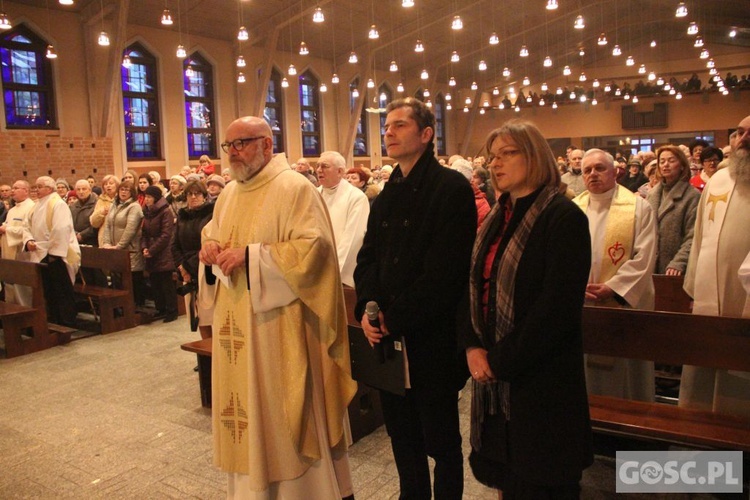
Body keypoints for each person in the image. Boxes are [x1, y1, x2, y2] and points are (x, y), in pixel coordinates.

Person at [199, 116, 357, 498]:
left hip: (279, 327)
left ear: (267, 144)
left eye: (242, 144)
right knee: (246, 414)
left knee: (283, 411)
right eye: (228, 145)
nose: (233, 153)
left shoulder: (294, 188)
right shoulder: (230, 193)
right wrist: (210, 248)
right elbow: (214, 232)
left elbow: (315, 251)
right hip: (236, 325)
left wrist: (252, 258)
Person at [462, 119, 593, 498]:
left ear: (534, 156)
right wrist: (472, 347)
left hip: (541, 379)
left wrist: (498, 361)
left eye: (507, 153)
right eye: (492, 156)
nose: (495, 164)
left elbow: (556, 310)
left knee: (540, 483)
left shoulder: (563, 218)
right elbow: (471, 288)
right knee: (507, 480)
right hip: (494, 373)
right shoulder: (495, 217)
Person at [354, 97, 476, 499]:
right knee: (402, 438)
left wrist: (394, 316)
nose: (388, 132)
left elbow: (444, 274)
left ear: (426, 134)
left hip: (431, 336)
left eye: (399, 125)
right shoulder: (389, 189)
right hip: (389, 337)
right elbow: (367, 256)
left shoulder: (450, 188)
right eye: (386, 126)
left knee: (440, 441)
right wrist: (368, 310)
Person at [573, 149, 657, 402]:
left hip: (624, 304)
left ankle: (635, 424)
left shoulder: (638, 207)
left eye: (599, 168)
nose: (593, 174)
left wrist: (614, 287)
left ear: (615, 171)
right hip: (583, 304)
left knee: (627, 377)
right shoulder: (573, 208)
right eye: (587, 170)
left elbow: (645, 256)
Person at [681, 114, 750, 417]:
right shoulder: (718, 180)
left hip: (743, 298)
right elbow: (699, 239)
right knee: (702, 389)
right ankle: (700, 452)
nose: (744, 140)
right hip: (708, 300)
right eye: (740, 132)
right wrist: (694, 289)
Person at [22, 176, 81, 328]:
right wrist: (28, 241)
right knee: (49, 291)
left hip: (57, 255)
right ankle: (54, 320)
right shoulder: (36, 205)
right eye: (35, 186)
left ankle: (67, 323)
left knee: (62, 291)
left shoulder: (57, 204)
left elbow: (61, 229)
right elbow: (26, 226)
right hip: (42, 254)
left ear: (49, 188)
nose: (36, 189)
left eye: (39, 186)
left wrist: (53, 253)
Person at [316, 151, 369, 288]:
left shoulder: (356, 197)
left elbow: (352, 239)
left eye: (325, 166)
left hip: (340, 274)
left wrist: (333, 272)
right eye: (318, 166)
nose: (319, 170)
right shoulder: (313, 194)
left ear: (340, 172)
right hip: (315, 269)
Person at [646, 145, 700, 275]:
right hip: (651, 264)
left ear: (682, 165)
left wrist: (679, 261)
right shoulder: (652, 194)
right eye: (662, 161)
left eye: (671, 161)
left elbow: (693, 235)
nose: (665, 165)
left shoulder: (692, 195)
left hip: (676, 267)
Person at [172, 180, 214, 340]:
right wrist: (182, 267)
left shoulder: (211, 214)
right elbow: (174, 245)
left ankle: (214, 357)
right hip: (187, 273)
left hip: (206, 271)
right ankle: (204, 356)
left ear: (204, 196)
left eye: (197, 193)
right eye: (190, 194)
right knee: (198, 317)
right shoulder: (182, 216)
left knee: (211, 316)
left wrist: (188, 266)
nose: (193, 197)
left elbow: (210, 244)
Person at [101, 181, 145, 307]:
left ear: (132, 193)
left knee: (133, 279)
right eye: (122, 190)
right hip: (115, 249)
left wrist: (119, 246)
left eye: (127, 190)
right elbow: (108, 225)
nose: (124, 192)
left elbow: (130, 229)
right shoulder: (114, 205)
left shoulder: (134, 207)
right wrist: (107, 243)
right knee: (118, 279)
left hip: (130, 249)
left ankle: (137, 305)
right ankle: (123, 306)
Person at [141, 186, 177, 322]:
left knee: (166, 282)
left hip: (163, 252)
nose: (146, 200)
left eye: (149, 197)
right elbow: (144, 233)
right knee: (155, 283)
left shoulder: (165, 212)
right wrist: (144, 248)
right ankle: (160, 308)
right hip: (151, 251)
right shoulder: (147, 212)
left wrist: (152, 250)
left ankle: (171, 311)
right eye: (146, 197)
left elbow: (166, 235)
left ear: (155, 198)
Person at [0, 180, 35, 304]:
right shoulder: (12, 210)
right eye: (12, 188)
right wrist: (4, 227)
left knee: (22, 287)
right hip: (9, 252)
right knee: (10, 284)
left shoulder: (31, 208)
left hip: (22, 253)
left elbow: (28, 230)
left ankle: (25, 312)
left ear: (26, 191)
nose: (12, 191)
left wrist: (6, 229)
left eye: (16, 188)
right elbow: (8, 225)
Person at [89, 175, 119, 247]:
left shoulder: (122, 199)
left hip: (118, 237)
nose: (108, 186)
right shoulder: (100, 200)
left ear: (117, 185)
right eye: (105, 184)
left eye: (111, 183)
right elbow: (94, 223)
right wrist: (101, 213)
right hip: (104, 239)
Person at [70, 179, 99, 247]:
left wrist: (82, 235)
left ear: (89, 190)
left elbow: (96, 224)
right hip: (75, 242)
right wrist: (75, 234)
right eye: (78, 189)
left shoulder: (97, 204)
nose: (81, 192)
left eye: (84, 189)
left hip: (92, 242)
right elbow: (69, 223)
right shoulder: (73, 206)